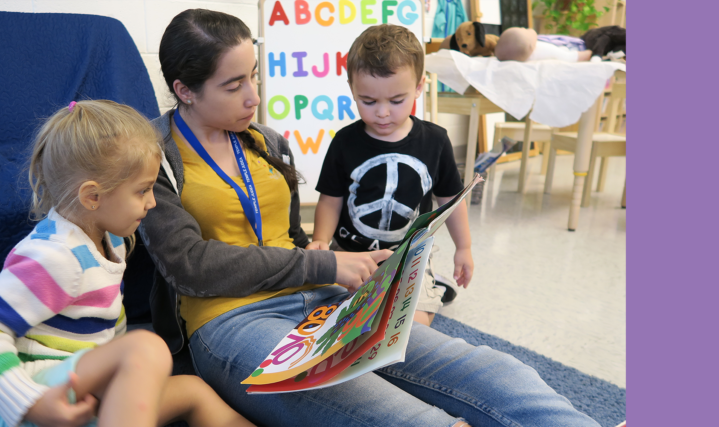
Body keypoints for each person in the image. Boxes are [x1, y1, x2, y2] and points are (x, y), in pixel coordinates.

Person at [139, 8, 601, 427]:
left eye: (253, 77)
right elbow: (190, 266)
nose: (253, 97)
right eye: (233, 85)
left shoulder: (264, 142)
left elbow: (290, 236)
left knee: (493, 371)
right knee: (401, 416)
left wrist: (327, 262)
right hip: (231, 321)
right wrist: (326, 263)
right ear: (185, 90)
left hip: (318, 299)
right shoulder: (153, 158)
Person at [0, 100, 253, 427]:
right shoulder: (56, 255)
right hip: (23, 408)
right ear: (92, 197)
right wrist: (30, 403)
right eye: (143, 191)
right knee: (145, 347)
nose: (152, 202)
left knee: (192, 390)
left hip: (76, 397)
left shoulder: (111, 243)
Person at [308, 24, 471, 327]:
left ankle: (431, 283)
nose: (382, 113)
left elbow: (450, 199)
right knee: (336, 319)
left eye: (397, 101)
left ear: (419, 87)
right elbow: (331, 199)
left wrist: (464, 247)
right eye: (368, 101)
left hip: (409, 257)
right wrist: (320, 240)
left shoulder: (435, 141)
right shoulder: (344, 142)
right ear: (351, 88)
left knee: (413, 329)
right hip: (350, 252)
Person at [496, 27, 594, 62]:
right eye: (524, 29)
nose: (526, 28)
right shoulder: (542, 49)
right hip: (572, 49)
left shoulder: (518, 54)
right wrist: (591, 53)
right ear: (531, 46)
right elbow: (569, 57)